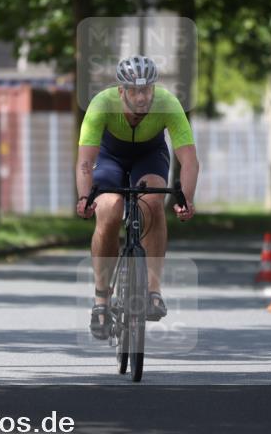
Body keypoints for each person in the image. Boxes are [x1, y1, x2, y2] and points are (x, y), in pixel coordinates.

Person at [75, 55, 199, 340]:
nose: (142, 97)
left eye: (147, 90)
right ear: (121, 91)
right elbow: (85, 162)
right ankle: (101, 300)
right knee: (110, 207)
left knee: (153, 201)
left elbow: (190, 160)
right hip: (109, 158)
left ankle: (153, 290)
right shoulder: (101, 104)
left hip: (149, 157)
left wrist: (186, 198)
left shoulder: (167, 104)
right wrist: (84, 196)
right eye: (134, 91)